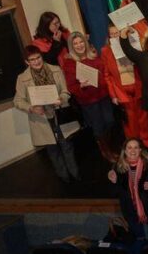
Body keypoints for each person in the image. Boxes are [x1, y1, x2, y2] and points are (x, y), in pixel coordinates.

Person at [14, 45, 79, 182]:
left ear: (41, 57)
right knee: (52, 149)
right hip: (41, 118)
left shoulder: (55, 70)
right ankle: (63, 176)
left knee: (67, 145)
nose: (36, 61)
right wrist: (32, 108)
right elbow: (18, 100)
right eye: (32, 60)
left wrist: (61, 99)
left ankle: (75, 173)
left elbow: (66, 91)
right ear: (27, 62)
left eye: (38, 57)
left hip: (59, 114)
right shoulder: (22, 78)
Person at [101, 25, 148, 148]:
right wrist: (113, 95)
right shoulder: (105, 51)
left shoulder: (132, 45)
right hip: (122, 91)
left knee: (144, 117)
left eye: (117, 33)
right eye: (112, 34)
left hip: (138, 87)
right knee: (130, 121)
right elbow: (107, 75)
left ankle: (147, 141)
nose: (115, 36)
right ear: (108, 37)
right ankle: (133, 144)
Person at [108, 138, 148, 241]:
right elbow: (114, 193)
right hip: (130, 209)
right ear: (125, 151)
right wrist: (114, 182)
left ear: (140, 150)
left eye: (136, 147)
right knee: (139, 238)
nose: (133, 150)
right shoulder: (118, 167)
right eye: (129, 148)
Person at [62, 31, 115, 139]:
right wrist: (80, 86)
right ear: (71, 47)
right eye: (75, 44)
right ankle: (105, 151)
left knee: (110, 121)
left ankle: (112, 146)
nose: (79, 45)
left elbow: (105, 73)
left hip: (103, 96)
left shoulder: (94, 56)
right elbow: (71, 86)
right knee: (98, 127)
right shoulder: (70, 63)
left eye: (81, 42)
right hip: (89, 101)